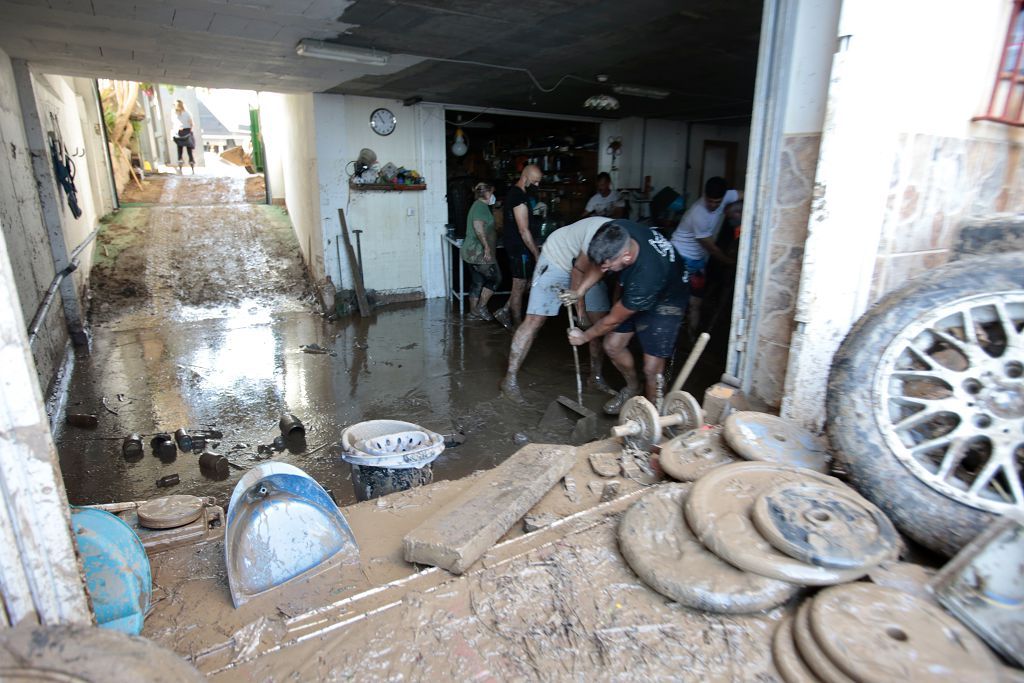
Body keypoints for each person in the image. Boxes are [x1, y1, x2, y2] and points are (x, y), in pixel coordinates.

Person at [567, 220, 688, 414]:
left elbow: (613, 319)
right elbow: (600, 265)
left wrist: (584, 337)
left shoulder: (647, 277)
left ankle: (652, 419)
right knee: (612, 346)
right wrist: (579, 291)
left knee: (652, 370)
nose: (605, 271)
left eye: (609, 267)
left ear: (626, 256)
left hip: (667, 298)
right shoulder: (614, 231)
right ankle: (632, 388)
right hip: (638, 287)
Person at [499, 216, 617, 403]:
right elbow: (577, 270)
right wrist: (580, 312)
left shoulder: (619, 242)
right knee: (534, 320)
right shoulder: (595, 237)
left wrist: (586, 319)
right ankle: (509, 379)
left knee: (598, 322)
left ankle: (595, 378)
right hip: (557, 258)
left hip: (592, 267)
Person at [669, 177, 741, 336]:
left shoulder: (727, 196)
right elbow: (713, 250)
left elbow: (745, 194)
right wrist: (734, 263)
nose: (713, 205)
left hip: (698, 261)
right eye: (710, 201)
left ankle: (691, 337)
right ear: (704, 195)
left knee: (696, 303)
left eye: (717, 202)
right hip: (680, 257)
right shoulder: (698, 214)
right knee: (677, 302)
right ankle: (671, 340)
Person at [494, 164, 543, 330]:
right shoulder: (518, 197)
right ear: (526, 176)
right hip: (519, 248)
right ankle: (517, 326)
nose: (537, 185)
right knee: (519, 285)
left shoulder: (519, 194)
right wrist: (536, 253)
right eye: (535, 182)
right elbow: (523, 230)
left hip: (519, 247)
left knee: (525, 283)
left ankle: (505, 310)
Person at [462, 183, 500, 321]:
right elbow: (478, 228)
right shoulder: (481, 207)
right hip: (478, 253)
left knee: (477, 282)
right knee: (496, 279)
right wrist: (487, 247)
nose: (493, 196)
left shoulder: (478, 206)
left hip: (471, 251)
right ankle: (481, 307)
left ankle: (473, 313)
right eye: (491, 192)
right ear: (487, 194)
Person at [172, 100, 196, 174]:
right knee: (189, 150)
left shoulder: (175, 113)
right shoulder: (187, 113)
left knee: (179, 149)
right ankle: (191, 163)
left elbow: (174, 124)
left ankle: (180, 162)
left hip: (179, 132)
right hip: (187, 132)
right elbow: (191, 123)